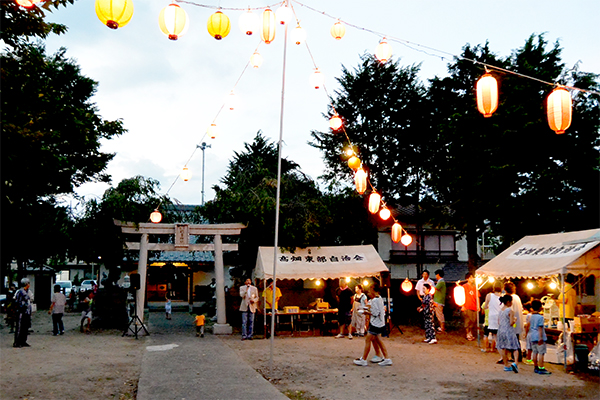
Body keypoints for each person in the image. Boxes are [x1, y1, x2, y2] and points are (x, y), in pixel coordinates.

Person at [353, 284, 392, 366]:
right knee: (378, 340)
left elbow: (375, 313)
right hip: (380, 323)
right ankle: (386, 358)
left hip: (375, 323)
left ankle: (363, 359)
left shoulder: (375, 300)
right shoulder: (379, 298)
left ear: (374, 291)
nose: (369, 292)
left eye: (370, 290)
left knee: (368, 340)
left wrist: (365, 312)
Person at [525, 299, 551, 375]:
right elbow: (540, 328)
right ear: (540, 307)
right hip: (538, 336)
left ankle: (535, 366)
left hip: (532, 336)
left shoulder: (530, 316)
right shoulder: (540, 317)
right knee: (541, 353)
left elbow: (528, 326)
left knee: (535, 352)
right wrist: (540, 338)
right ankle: (541, 367)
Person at [497, 294, 519, 373]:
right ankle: (515, 363)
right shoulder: (510, 311)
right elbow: (511, 323)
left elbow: (498, 321)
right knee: (515, 347)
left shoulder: (501, 310)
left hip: (501, 330)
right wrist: (514, 320)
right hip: (508, 330)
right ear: (509, 302)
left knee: (503, 348)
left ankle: (506, 365)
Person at [504, 281, 524, 362]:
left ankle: (515, 357)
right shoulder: (517, 297)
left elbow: (509, 311)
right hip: (518, 321)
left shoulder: (510, 298)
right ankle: (517, 356)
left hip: (513, 322)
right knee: (516, 339)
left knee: (513, 340)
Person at [483, 281, 502, 361]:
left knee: (487, 333)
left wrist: (488, 308)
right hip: (499, 317)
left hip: (491, 317)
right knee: (495, 335)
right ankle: (493, 348)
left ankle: (486, 347)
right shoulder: (502, 297)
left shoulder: (489, 295)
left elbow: (485, 305)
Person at [13, 278, 32, 348]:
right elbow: (16, 301)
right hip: (21, 311)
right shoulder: (20, 291)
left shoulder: (27, 291)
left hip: (27, 311)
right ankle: (17, 342)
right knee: (20, 327)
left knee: (25, 327)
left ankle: (23, 341)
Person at [462, 273, 479, 341]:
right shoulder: (464, 286)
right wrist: (462, 305)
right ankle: (467, 334)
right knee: (467, 321)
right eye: (470, 278)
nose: (472, 279)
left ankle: (470, 333)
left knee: (473, 321)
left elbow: (477, 297)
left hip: (474, 306)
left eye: (473, 278)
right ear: (467, 279)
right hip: (467, 306)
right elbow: (461, 296)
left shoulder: (475, 287)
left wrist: (478, 306)